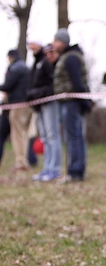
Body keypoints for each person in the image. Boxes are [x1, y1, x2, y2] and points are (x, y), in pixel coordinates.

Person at [51, 28, 91, 184]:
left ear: (63, 42)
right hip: (70, 102)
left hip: (72, 102)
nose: (53, 44)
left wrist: (84, 102)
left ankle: (74, 172)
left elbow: (77, 83)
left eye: (55, 41)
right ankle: (76, 170)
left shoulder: (70, 58)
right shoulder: (67, 56)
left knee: (73, 137)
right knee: (76, 137)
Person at [26, 38, 63, 181]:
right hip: (39, 104)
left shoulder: (49, 64)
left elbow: (52, 84)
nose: (49, 55)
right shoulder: (37, 62)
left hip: (49, 102)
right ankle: (47, 168)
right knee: (46, 138)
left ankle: (55, 169)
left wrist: (37, 93)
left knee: (52, 136)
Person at [0, 49, 33, 173]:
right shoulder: (25, 68)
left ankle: (21, 163)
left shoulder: (15, 68)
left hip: (17, 105)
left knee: (17, 134)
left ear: (10, 57)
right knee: (24, 134)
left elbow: (8, 86)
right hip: (28, 104)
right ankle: (24, 161)